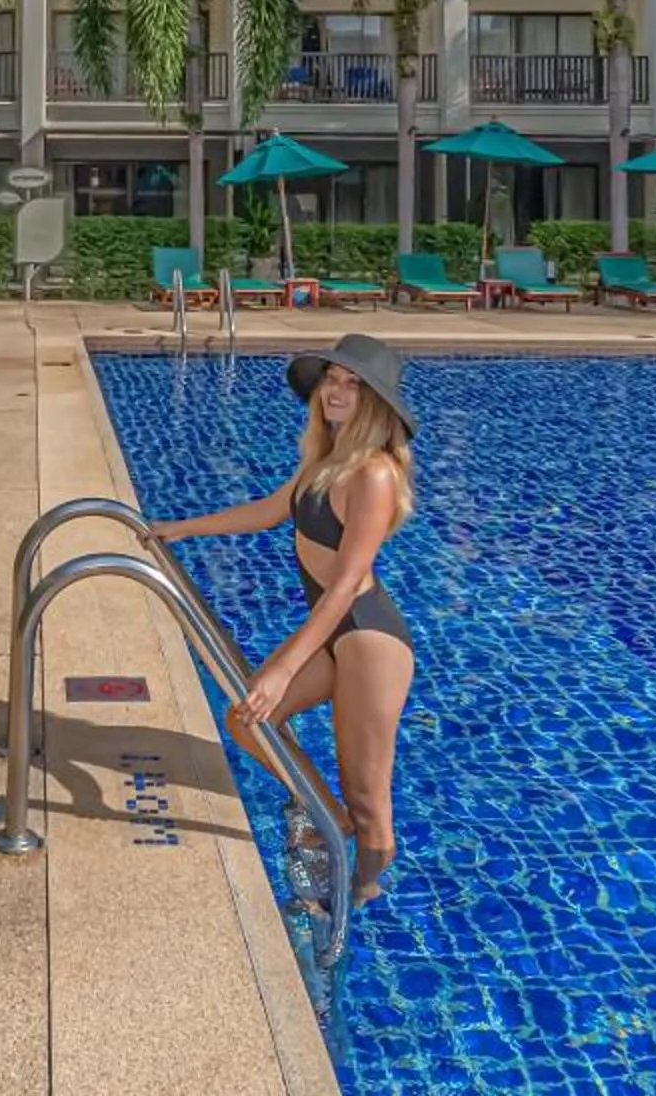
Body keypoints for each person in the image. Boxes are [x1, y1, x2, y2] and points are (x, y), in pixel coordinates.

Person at [148, 333, 416, 901]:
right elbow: (269, 511)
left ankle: (360, 894)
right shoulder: (327, 460)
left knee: (369, 796)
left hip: (369, 638)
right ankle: (329, 820)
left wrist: (282, 666)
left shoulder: (374, 474)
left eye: (352, 384)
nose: (336, 392)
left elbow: (345, 585)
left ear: (375, 401)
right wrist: (179, 529)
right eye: (332, 380)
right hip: (338, 633)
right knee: (248, 722)